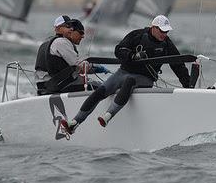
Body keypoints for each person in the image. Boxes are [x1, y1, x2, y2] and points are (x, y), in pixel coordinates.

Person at [61, 15, 191, 134]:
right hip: (123, 72)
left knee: (129, 81)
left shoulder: (167, 44)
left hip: (145, 78)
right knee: (100, 91)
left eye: (167, 31)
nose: (164, 34)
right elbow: (118, 50)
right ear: (154, 28)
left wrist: (189, 86)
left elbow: (178, 65)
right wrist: (132, 55)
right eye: (162, 31)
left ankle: (107, 116)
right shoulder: (137, 35)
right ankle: (74, 123)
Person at [35, 19, 109, 94]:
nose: (83, 36)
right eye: (81, 32)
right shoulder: (61, 42)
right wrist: (95, 67)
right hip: (56, 85)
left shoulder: (47, 42)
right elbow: (79, 66)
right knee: (104, 86)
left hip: (43, 85)